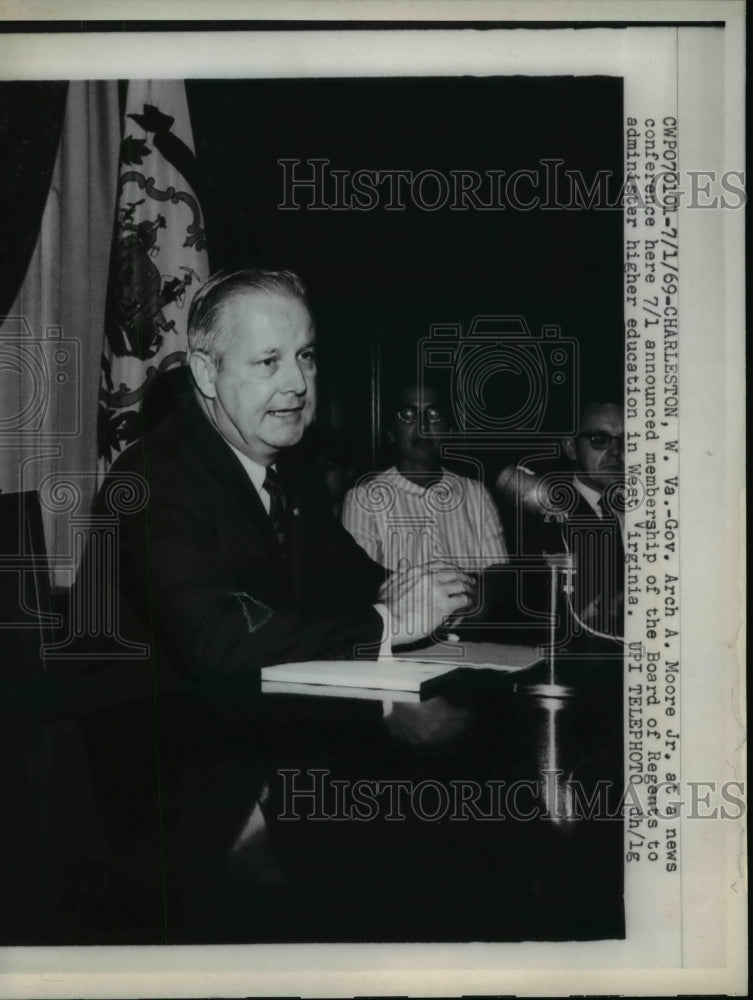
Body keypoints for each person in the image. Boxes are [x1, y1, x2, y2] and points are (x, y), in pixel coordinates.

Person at [77, 268, 474, 939]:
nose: (296, 383)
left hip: (261, 748)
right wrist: (390, 621)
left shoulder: (282, 469)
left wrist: (437, 591)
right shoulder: (150, 479)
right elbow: (216, 638)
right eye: (268, 361)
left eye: (306, 356)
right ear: (205, 372)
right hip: (162, 805)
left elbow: (356, 581)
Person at [342, 381, 508, 577]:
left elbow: (499, 577)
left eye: (434, 415)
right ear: (391, 433)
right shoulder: (364, 499)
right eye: (409, 415)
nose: (422, 426)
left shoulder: (476, 494)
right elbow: (361, 584)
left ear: (449, 431)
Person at [495, 395, 625, 638]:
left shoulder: (651, 510)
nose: (616, 452)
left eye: (628, 441)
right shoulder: (538, 517)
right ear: (571, 447)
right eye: (600, 440)